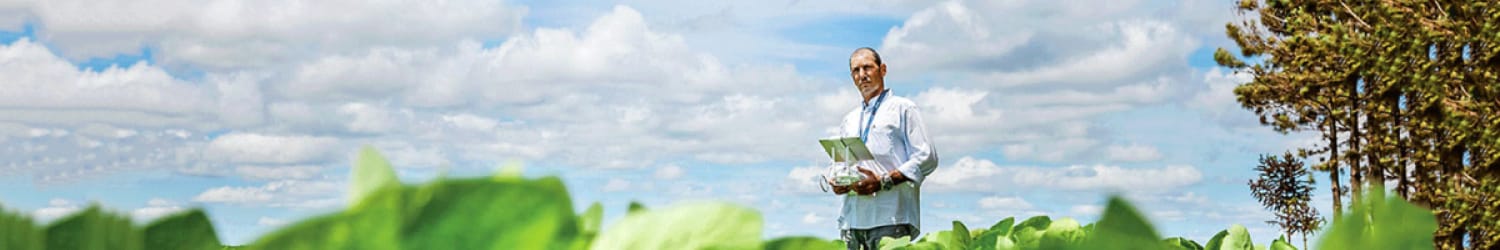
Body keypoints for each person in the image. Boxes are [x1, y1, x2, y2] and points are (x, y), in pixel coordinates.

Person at [826, 47, 939, 250]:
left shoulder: (903, 108)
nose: (862, 75)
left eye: (867, 67)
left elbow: (927, 157)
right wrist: (836, 181)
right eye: (856, 70)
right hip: (852, 220)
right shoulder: (849, 119)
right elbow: (840, 162)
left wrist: (883, 181)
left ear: (883, 70)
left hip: (890, 217)